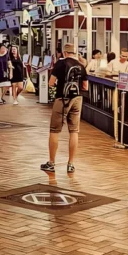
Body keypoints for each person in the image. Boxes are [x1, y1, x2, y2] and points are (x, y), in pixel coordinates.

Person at [42, 43, 87, 174]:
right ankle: (71, 164)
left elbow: (51, 83)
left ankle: (51, 163)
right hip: (77, 99)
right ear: (75, 52)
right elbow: (85, 87)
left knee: (55, 130)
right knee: (74, 131)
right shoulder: (81, 66)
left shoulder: (60, 64)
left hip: (62, 98)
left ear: (65, 52)